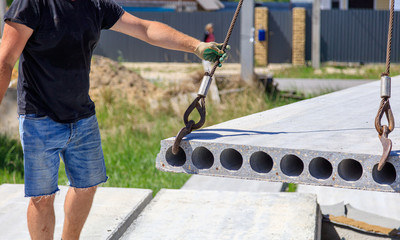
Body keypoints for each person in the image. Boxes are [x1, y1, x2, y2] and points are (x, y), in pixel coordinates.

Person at [0, 0, 227, 239]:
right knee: (42, 196)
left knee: (87, 187)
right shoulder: (33, 4)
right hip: (39, 117)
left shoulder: (95, 5)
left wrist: (197, 46)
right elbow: (5, 61)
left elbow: (144, 28)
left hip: (82, 116)